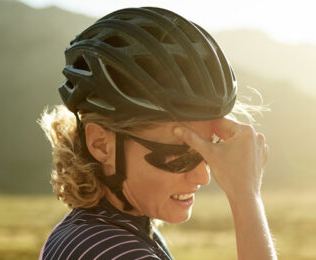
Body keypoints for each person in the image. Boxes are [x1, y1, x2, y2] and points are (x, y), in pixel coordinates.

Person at [39, 7, 276, 260]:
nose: (202, 176)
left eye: (209, 150)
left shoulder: (94, 233)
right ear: (101, 145)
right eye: (180, 155)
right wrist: (246, 197)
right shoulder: (113, 251)